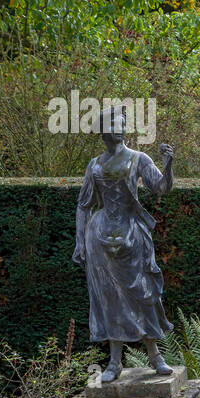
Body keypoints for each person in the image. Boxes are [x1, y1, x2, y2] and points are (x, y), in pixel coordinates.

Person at [72, 105, 175, 382]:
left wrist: (168, 166)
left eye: (123, 124)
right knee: (108, 298)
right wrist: (80, 242)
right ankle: (114, 362)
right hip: (100, 238)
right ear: (105, 130)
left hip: (132, 235)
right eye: (116, 124)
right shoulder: (94, 165)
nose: (121, 128)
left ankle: (156, 357)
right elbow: (84, 205)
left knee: (143, 294)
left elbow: (161, 188)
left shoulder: (139, 158)